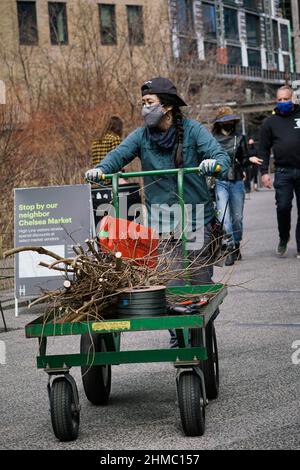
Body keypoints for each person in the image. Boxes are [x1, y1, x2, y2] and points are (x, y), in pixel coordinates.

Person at [86, 77, 231, 344]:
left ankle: (201, 329)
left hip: (196, 218)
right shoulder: (141, 136)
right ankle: (178, 336)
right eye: (142, 103)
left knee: (200, 282)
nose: (144, 108)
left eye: (149, 103)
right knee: (170, 282)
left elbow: (220, 155)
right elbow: (119, 155)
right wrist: (102, 169)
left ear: (166, 107)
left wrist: (213, 162)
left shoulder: (193, 130)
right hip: (161, 223)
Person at [212, 107, 262, 266]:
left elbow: (243, 158)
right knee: (223, 218)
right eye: (225, 120)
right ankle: (230, 248)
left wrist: (250, 159)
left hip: (237, 180)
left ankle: (237, 243)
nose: (228, 123)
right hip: (220, 181)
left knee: (237, 218)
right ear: (219, 122)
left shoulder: (240, 137)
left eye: (230, 120)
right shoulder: (211, 139)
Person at [259, 85, 300, 258]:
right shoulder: (270, 122)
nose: (283, 102)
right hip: (282, 172)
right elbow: (263, 149)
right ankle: (284, 237)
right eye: (280, 99)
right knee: (283, 207)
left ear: (293, 99)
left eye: (286, 99)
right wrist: (264, 172)